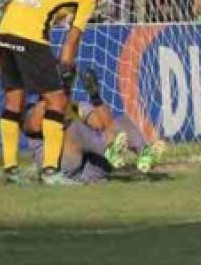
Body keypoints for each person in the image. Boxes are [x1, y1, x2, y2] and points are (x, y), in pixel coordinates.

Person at [0, 0, 108, 185]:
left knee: (13, 101)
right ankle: (50, 172)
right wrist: (66, 69)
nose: (97, 2)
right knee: (57, 100)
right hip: (30, 37)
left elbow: (12, 4)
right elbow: (72, 38)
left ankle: (10, 169)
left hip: (5, 31)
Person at [22, 70, 164, 183]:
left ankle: (145, 154)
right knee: (74, 127)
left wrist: (95, 96)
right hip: (59, 171)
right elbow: (33, 126)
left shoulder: (76, 107)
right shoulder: (34, 110)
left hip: (89, 171)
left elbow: (106, 125)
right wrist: (51, 94)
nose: (67, 88)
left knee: (123, 121)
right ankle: (109, 150)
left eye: (67, 84)